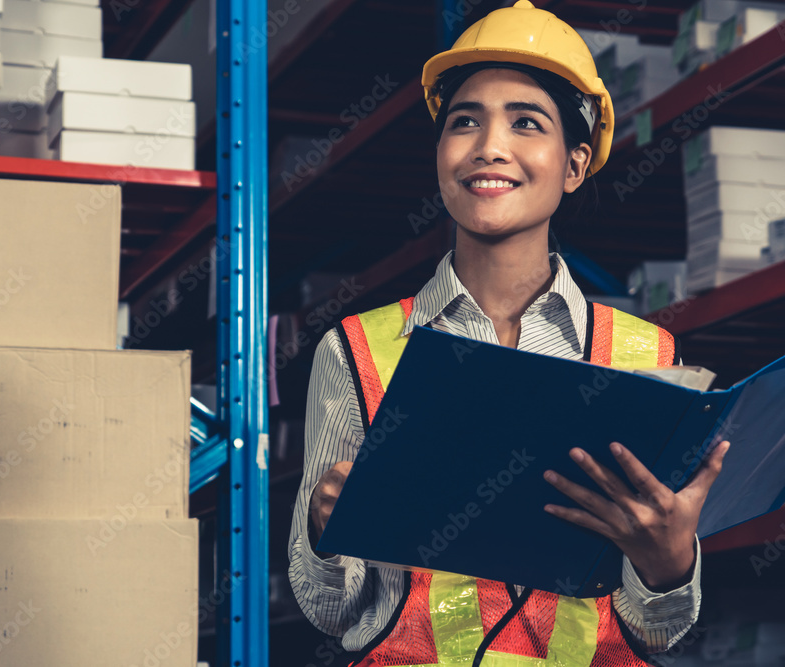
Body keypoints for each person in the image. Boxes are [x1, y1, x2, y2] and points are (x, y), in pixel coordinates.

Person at [288, 1, 731, 664]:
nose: (489, 146)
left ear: (575, 164)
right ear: (440, 155)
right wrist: (327, 533)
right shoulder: (356, 350)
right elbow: (327, 610)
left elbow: (657, 627)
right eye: (464, 121)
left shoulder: (645, 358)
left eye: (527, 122)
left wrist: (669, 561)